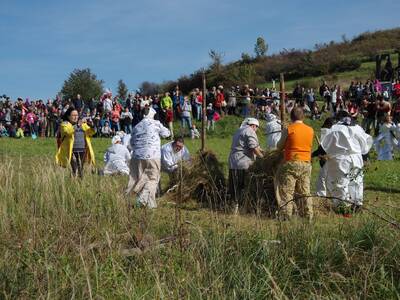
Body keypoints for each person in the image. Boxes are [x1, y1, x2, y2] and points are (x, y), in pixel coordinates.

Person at [321, 111, 373, 210]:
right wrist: (365, 158)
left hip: (341, 159)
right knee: (356, 180)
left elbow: (324, 146)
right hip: (356, 158)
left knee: (341, 182)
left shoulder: (335, 128)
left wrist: (315, 155)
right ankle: (357, 204)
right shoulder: (357, 128)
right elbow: (365, 145)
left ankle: (343, 207)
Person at [125, 107, 170, 208]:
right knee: (153, 178)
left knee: (142, 177)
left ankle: (149, 204)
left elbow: (131, 143)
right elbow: (167, 133)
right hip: (152, 155)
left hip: (137, 156)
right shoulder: (156, 123)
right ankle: (143, 199)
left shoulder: (136, 126)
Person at [275, 107, 314, 220]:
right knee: (305, 191)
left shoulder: (289, 129)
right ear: (303, 117)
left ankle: (286, 216)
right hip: (306, 163)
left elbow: (279, 146)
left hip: (291, 162)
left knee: (287, 191)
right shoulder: (310, 130)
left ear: (291, 117)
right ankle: (308, 215)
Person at [228, 118, 264, 213]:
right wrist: (263, 158)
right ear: (253, 125)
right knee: (245, 187)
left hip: (233, 162)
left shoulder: (239, 130)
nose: (256, 129)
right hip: (243, 162)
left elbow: (254, 146)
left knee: (235, 188)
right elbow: (253, 148)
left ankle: (233, 210)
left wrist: (262, 151)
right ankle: (244, 210)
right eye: (256, 127)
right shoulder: (250, 131)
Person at [55, 108, 96, 177]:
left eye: (77, 115)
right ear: (68, 116)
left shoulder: (83, 125)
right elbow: (68, 132)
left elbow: (92, 132)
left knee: (80, 170)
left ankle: (79, 184)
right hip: (71, 150)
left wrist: (92, 125)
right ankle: (73, 182)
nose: (76, 117)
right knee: (75, 169)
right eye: (73, 115)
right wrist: (77, 125)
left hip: (83, 150)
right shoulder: (64, 124)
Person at [311, 117, 334, 197]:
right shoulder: (333, 132)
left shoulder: (327, 132)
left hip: (327, 158)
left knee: (322, 178)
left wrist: (312, 155)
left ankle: (321, 195)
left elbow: (323, 148)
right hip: (333, 158)